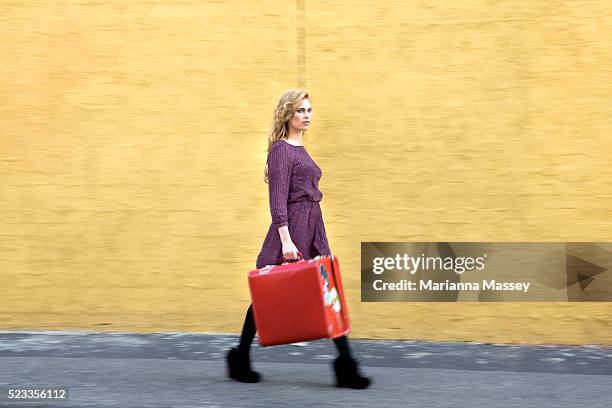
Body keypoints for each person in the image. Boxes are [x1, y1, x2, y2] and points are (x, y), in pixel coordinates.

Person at [225, 89, 371, 389]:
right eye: (301, 110)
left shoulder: (300, 149)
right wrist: (287, 241)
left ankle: (345, 366)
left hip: (312, 225)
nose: (307, 115)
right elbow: (277, 201)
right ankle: (240, 357)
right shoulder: (281, 151)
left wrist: (317, 235)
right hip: (291, 230)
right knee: (268, 296)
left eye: (309, 110)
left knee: (326, 289)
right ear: (287, 114)